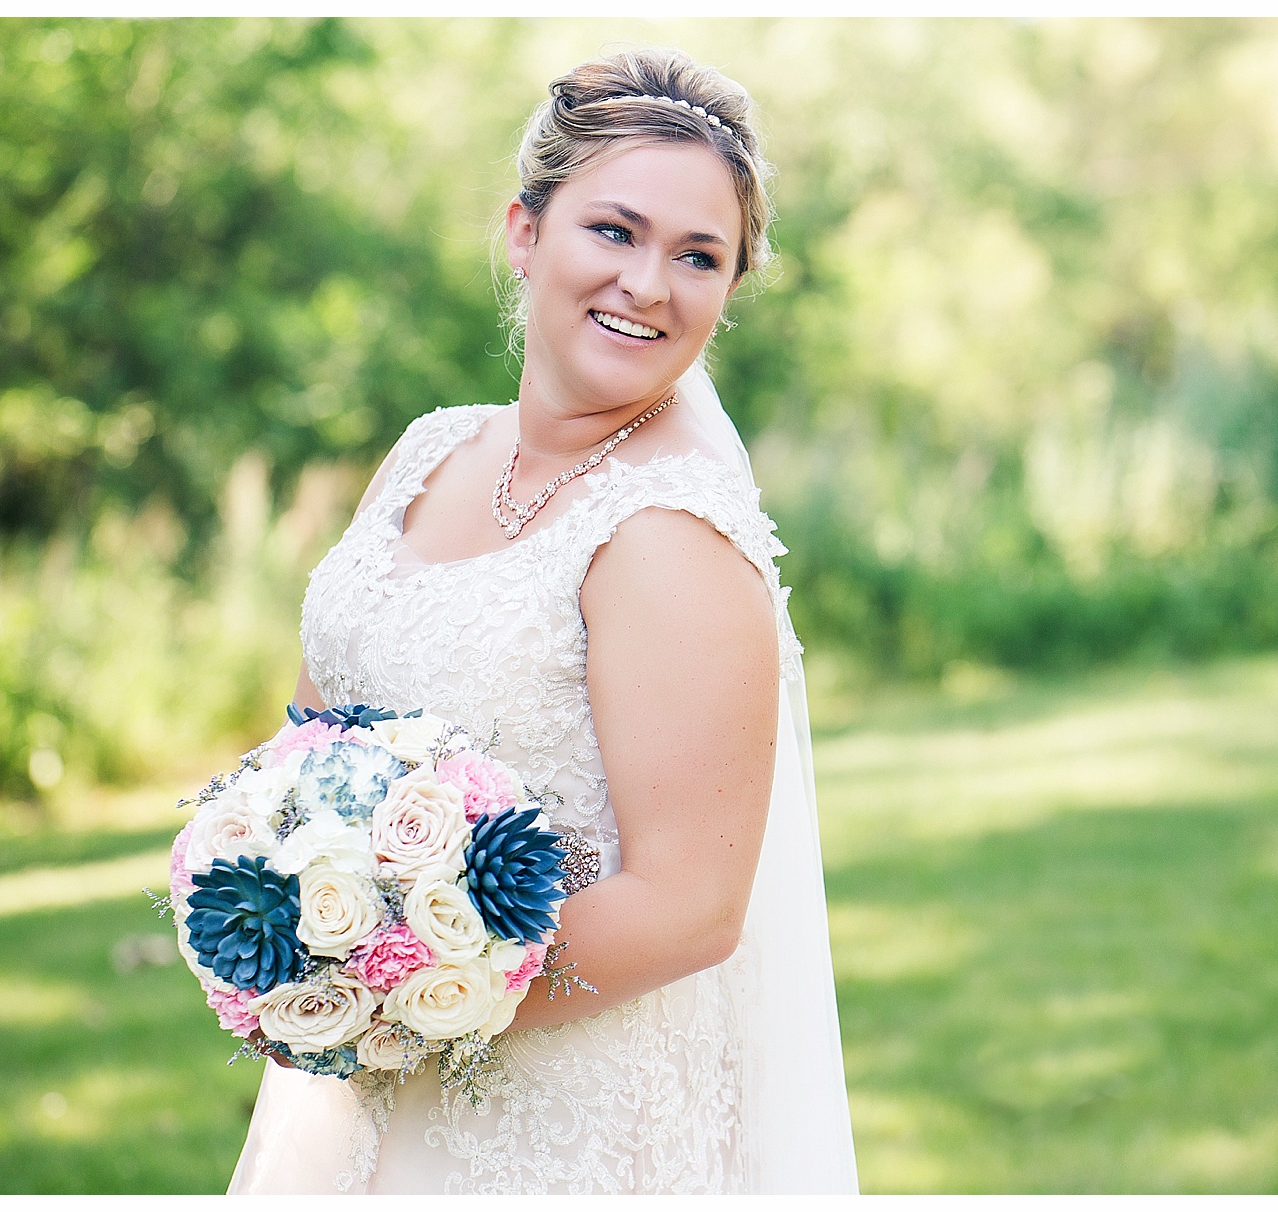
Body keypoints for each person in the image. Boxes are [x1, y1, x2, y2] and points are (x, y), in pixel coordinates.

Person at [226, 47, 856, 1195]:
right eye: (614, 231)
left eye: (699, 257)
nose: (649, 285)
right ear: (525, 232)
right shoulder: (431, 450)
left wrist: (397, 993)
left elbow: (691, 907)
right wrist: (264, 884)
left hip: (558, 1118)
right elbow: (315, 743)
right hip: (357, 1083)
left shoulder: (670, 533)